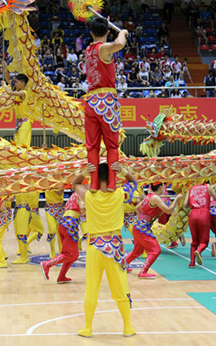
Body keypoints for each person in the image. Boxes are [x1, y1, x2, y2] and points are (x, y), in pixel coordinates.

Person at [74, 162, 138, 338]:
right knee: (121, 288)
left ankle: (87, 328)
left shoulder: (89, 196)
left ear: (95, 178)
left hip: (94, 246)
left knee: (91, 288)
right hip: (115, 247)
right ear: (112, 177)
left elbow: (75, 183)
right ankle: (127, 327)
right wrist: (123, 171)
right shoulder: (119, 194)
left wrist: (84, 173)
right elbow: (134, 182)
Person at [3, 65, 44, 264]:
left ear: (23, 83)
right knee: (17, 148)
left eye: (17, 81)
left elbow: (11, 91)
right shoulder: (17, 89)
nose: (15, 83)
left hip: (25, 123)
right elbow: (9, 82)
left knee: (22, 150)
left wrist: (6, 88)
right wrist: (5, 70)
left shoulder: (24, 92)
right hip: (18, 124)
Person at [84, 18, 128, 191]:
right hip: (107, 103)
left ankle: (94, 183)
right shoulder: (103, 48)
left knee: (92, 146)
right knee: (112, 145)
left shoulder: (88, 50)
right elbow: (119, 44)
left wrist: (103, 23)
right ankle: (111, 182)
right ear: (108, 32)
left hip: (91, 102)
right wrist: (122, 33)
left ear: (91, 33)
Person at [124, 182, 175, 279]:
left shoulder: (149, 196)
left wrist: (144, 219)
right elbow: (168, 211)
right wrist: (176, 200)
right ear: (160, 188)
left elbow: (137, 208)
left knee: (137, 251)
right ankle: (143, 272)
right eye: (163, 187)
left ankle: (123, 266)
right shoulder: (155, 197)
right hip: (142, 229)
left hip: (137, 226)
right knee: (155, 250)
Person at [173, 183, 216, 268]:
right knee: (204, 241)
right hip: (204, 213)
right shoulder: (207, 187)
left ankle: (192, 263)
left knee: (194, 242)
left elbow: (185, 204)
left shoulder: (190, 188)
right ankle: (199, 251)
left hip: (193, 214)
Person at [41, 190, 84, 284]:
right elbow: (83, 209)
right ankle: (47, 264)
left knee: (74, 255)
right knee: (70, 254)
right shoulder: (82, 193)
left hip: (64, 223)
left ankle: (61, 277)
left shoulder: (74, 194)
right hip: (70, 224)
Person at [44, 189, 65, 258]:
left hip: (60, 207)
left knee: (60, 232)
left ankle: (61, 252)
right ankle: (52, 250)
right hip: (49, 207)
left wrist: (52, 186)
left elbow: (60, 192)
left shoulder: (59, 182)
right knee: (51, 231)